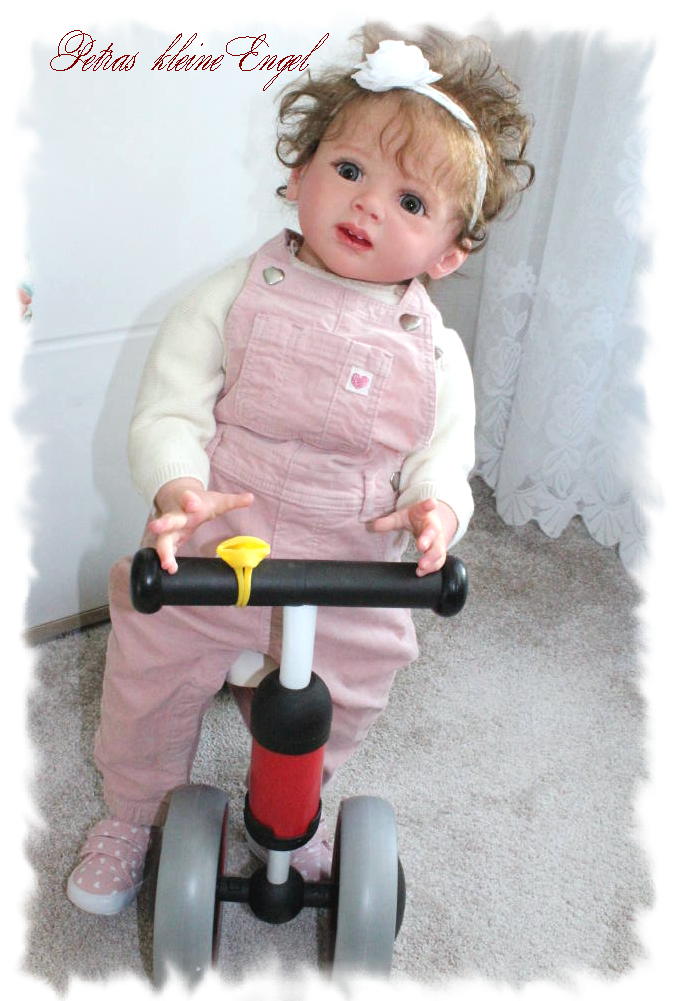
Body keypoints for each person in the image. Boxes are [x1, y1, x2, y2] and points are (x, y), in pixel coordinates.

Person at [67, 24, 533, 915]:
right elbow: (169, 407)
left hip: (349, 563)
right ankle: (133, 813)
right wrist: (177, 484)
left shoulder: (436, 349)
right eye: (349, 170)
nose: (367, 206)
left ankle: (291, 804)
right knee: (149, 674)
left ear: (448, 252)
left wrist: (435, 510)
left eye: (410, 201)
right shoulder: (233, 294)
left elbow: (445, 454)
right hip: (219, 548)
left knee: (348, 691)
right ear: (297, 174)